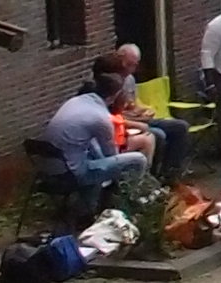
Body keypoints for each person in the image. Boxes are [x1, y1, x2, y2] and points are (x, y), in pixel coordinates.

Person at [46, 57, 152, 198]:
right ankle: (134, 198)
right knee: (138, 159)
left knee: (93, 149)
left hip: (48, 167)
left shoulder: (75, 101)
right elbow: (111, 156)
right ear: (115, 95)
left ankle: (93, 205)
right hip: (72, 172)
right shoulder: (101, 118)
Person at [107, 43, 189, 185]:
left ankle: (170, 174)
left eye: (134, 65)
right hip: (126, 123)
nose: (131, 69)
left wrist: (145, 109)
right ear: (119, 59)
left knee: (180, 126)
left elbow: (132, 104)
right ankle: (152, 179)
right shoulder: (111, 82)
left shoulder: (130, 79)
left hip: (138, 119)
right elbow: (113, 115)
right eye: (128, 65)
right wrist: (137, 119)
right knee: (158, 135)